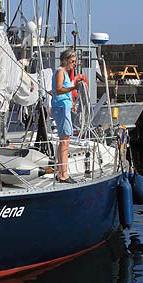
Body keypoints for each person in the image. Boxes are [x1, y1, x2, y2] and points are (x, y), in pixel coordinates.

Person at [51, 49, 82, 183]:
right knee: (65, 141)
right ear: (65, 60)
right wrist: (73, 88)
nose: (74, 64)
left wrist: (71, 102)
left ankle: (62, 172)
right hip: (61, 109)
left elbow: (58, 92)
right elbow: (58, 90)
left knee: (65, 140)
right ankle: (63, 175)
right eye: (72, 61)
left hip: (64, 107)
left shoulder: (64, 73)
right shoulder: (60, 72)